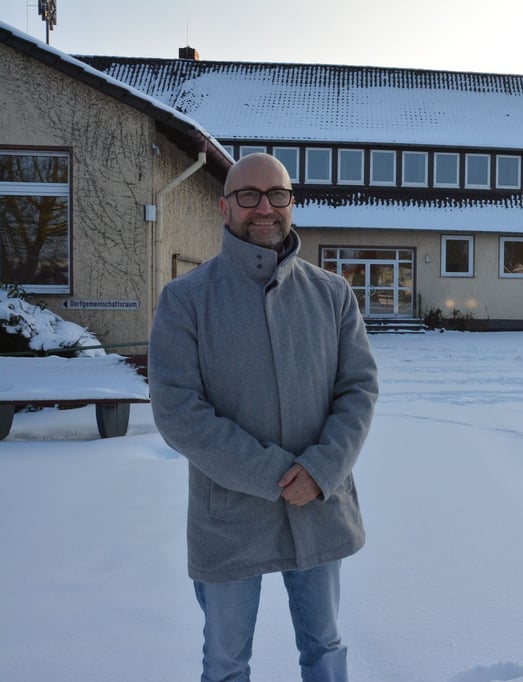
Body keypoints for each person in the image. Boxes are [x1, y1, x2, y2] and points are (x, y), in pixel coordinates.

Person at [148, 152, 379, 682]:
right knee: (226, 662)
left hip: (319, 504)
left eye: (277, 195)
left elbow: (359, 391)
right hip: (228, 514)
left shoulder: (333, 294)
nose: (264, 208)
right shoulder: (186, 300)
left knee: (325, 648)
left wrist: (320, 470)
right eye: (249, 196)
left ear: (292, 203)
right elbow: (178, 410)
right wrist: (274, 476)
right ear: (225, 206)